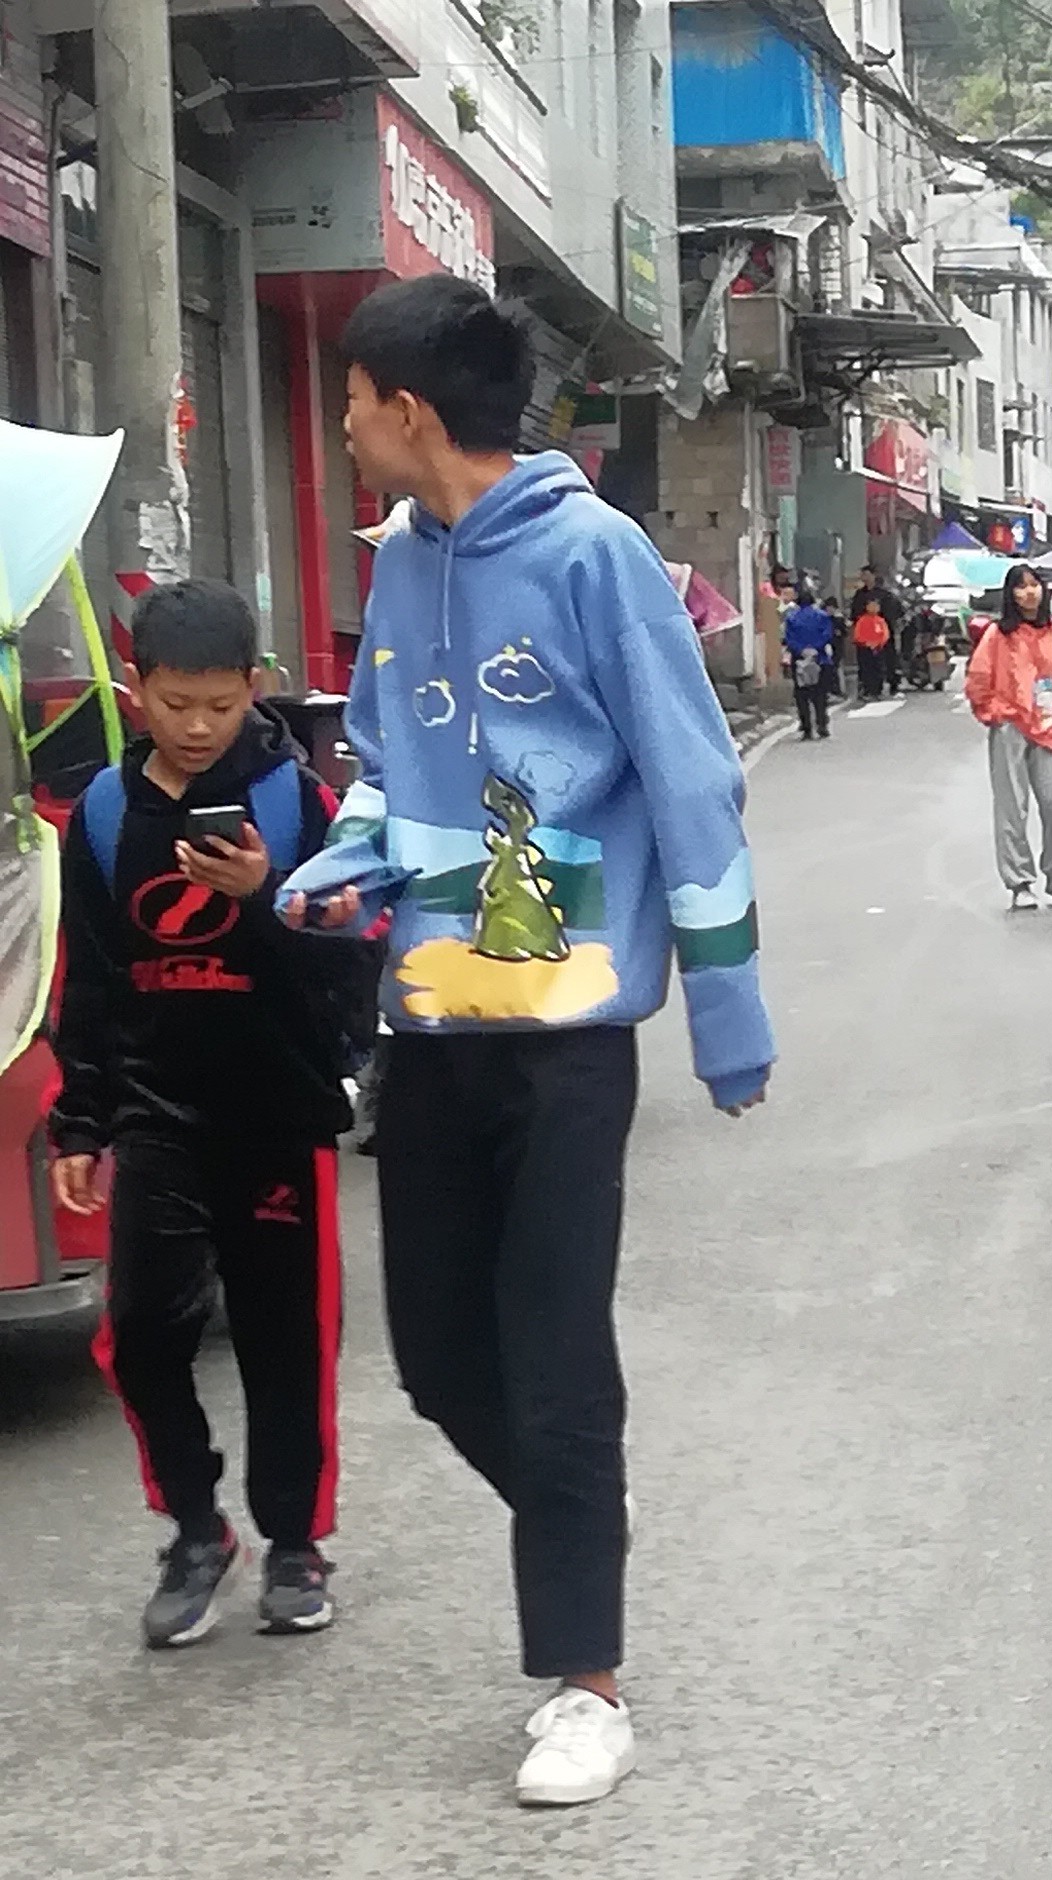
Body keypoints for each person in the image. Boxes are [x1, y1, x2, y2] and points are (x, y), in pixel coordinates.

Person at [278, 274, 775, 1806]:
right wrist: (340, 861)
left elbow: (692, 778)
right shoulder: (405, 565)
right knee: (437, 1359)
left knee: (556, 1357)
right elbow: (382, 752)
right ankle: (585, 1523)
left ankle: (585, 1677)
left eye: (353, 405)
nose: (345, 431)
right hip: (431, 1021)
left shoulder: (595, 558)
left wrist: (728, 999)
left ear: (409, 412)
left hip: (565, 1035)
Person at [49, 578, 374, 1649]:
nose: (196, 727)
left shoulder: (302, 808)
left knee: (289, 1339)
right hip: (155, 1115)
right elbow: (90, 983)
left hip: (276, 1115)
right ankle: (196, 1527)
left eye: (220, 705)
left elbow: (346, 974)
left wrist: (266, 896)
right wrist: (82, 1123)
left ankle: (294, 1539)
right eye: (175, 702)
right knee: (141, 1332)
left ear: (256, 689)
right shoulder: (100, 815)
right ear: (137, 687)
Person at [965, 562, 1052, 910]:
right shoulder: (998, 636)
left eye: (1034, 585)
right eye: (1021, 586)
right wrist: (994, 712)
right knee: (1012, 807)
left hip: (1050, 726)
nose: (1029, 592)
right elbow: (978, 678)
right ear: (1010, 594)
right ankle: (1020, 882)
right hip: (1010, 725)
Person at [782, 581, 835, 740]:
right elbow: (827, 635)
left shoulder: (791, 618)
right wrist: (815, 649)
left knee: (802, 695)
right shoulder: (822, 616)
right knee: (820, 694)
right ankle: (822, 725)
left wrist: (802, 650)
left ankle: (806, 728)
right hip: (820, 658)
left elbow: (789, 639)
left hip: (799, 660)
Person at [853, 592, 893, 700]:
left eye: (876, 605)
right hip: (865, 649)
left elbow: (885, 635)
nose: (874, 607)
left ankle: (878, 691)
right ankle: (867, 691)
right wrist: (866, 643)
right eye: (871, 605)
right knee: (866, 671)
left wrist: (878, 643)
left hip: (878, 648)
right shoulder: (862, 620)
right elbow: (858, 635)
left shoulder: (880, 621)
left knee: (878, 670)